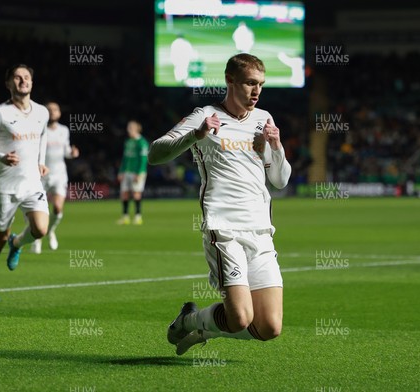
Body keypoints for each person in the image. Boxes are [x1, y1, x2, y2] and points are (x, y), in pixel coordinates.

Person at [148, 53, 291, 355]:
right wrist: (195, 135)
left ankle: (201, 327)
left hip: (261, 231)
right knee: (240, 317)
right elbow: (156, 153)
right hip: (224, 229)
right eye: (251, 83)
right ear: (230, 80)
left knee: (270, 327)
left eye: (261, 85)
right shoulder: (205, 115)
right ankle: (190, 321)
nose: (256, 91)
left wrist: (276, 147)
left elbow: (279, 180)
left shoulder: (264, 119)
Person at [0, 64, 50, 301]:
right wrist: (1, 157)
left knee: (40, 229)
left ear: (32, 82)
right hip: (5, 186)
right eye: (17, 77)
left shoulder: (42, 112)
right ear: (9, 83)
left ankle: (17, 244)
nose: (23, 80)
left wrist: (41, 161)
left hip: (32, 183)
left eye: (27, 77)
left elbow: (43, 136)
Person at [31, 102, 79, 253]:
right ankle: (37, 237)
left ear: (59, 113)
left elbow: (65, 150)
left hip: (59, 174)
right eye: (49, 110)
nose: (52, 112)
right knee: (38, 210)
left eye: (55, 109)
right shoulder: (38, 129)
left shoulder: (64, 130)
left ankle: (50, 231)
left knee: (58, 208)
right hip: (41, 174)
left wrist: (71, 153)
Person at [117, 120, 149, 225]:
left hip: (137, 172)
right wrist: (121, 171)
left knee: (136, 194)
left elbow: (143, 159)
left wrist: (139, 173)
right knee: (124, 194)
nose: (128, 130)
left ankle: (138, 217)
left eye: (130, 128)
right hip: (127, 171)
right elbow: (125, 158)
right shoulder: (128, 142)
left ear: (136, 129)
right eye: (128, 127)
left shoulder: (142, 142)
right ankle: (125, 217)